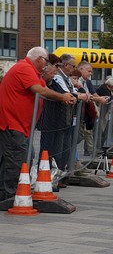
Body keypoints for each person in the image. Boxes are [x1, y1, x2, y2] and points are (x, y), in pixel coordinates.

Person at [0, 46, 75, 201]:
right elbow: (40, 90)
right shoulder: (24, 68)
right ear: (40, 59)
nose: (47, 66)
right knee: (15, 160)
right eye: (46, 62)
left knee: (16, 159)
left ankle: (8, 193)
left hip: (19, 125)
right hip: (13, 124)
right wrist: (63, 97)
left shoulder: (31, 71)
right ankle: (9, 195)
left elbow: (43, 86)